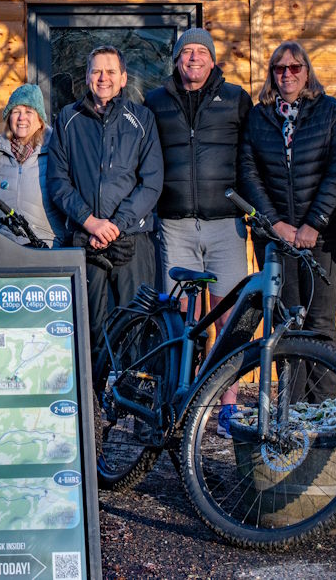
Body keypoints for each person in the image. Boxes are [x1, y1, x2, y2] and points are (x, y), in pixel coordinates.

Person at [145, 28, 251, 436]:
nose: (193, 58)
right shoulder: (155, 101)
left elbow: (253, 155)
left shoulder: (236, 99)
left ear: (212, 58)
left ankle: (228, 406)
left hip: (225, 224)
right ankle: (186, 401)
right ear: (176, 59)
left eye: (200, 52)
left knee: (228, 319)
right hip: (175, 224)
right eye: (186, 52)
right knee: (186, 322)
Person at [239, 41, 336, 400]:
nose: (287, 74)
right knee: (287, 323)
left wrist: (314, 223)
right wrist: (275, 224)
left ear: (307, 72)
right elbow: (248, 171)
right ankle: (293, 410)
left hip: (324, 237)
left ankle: (322, 408)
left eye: (294, 67)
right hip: (276, 239)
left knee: (320, 322)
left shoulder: (331, 111)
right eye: (279, 68)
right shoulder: (259, 117)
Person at [47, 45, 163, 346]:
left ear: (123, 78)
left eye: (111, 71)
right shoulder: (67, 120)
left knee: (135, 324)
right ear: (87, 77)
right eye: (97, 71)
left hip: (132, 239)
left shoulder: (143, 119)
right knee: (89, 329)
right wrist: (90, 222)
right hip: (85, 240)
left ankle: (132, 390)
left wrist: (115, 226)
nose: (103, 78)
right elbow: (58, 182)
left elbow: (151, 183)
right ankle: (95, 393)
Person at [0, 84, 62, 246]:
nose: (22, 118)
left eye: (29, 112)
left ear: (40, 119)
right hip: (4, 249)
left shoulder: (55, 152)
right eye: (16, 112)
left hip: (46, 248)